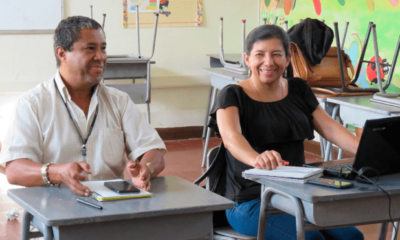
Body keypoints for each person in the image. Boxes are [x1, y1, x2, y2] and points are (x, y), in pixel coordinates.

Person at [208, 25, 363, 240]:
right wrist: (258, 158)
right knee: (311, 239)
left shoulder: (299, 89)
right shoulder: (232, 95)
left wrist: (366, 151)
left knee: (351, 237)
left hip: (299, 196)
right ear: (247, 59)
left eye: (276, 55)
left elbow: (330, 128)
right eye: (260, 55)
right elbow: (232, 139)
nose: (268, 62)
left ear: (288, 58)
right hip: (250, 201)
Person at [0, 16, 166, 196]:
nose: (101, 57)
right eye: (90, 49)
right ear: (62, 53)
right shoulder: (33, 104)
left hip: (112, 209)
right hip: (54, 210)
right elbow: (14, 170)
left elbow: (153, 151)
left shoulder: (119, 101)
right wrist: (58, 173)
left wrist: (146, 168)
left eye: (103, 48)